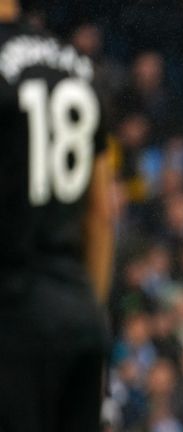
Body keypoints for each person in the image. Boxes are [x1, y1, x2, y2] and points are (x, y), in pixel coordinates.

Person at [0, 0, 114, 431]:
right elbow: (102, 212)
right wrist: (91, 312)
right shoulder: (79, 68)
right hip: (78, 318)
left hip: (11, 317)